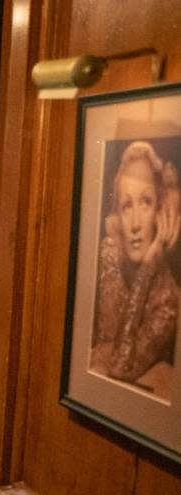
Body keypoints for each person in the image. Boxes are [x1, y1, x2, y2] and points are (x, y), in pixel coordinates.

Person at [92, 140, 180, 397]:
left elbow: (120, 365)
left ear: (161, 214)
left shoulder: (168, 300)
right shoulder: (110, 256)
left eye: (145, 202)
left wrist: (150, 265)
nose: (135, 225)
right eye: (127, 206)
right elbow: (105, 347)